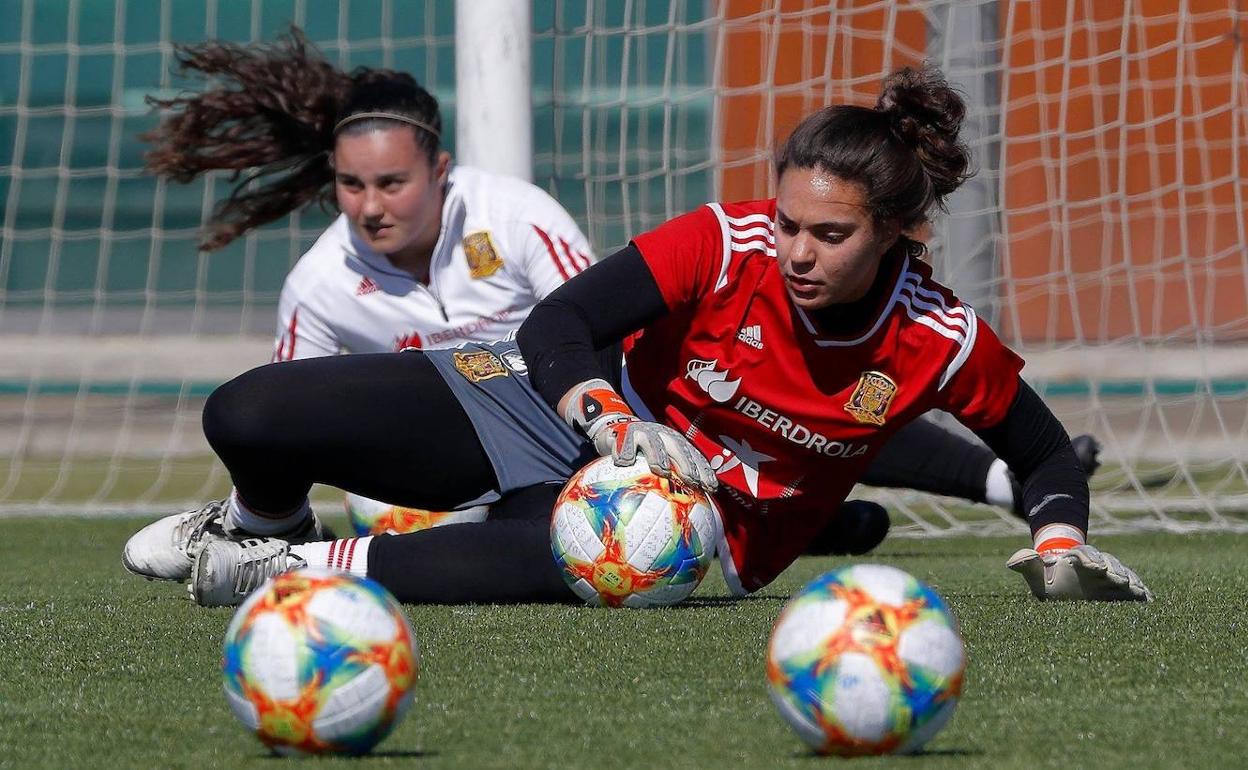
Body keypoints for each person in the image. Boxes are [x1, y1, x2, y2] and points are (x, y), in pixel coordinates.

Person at [125, 59, 1141, 605]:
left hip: (693, 523)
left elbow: (1045, 448)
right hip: (563, 410)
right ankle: (272, 525)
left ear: (893, 236)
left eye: (829, 235)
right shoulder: (724, 239)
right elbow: (565, 320)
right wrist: (607, 410)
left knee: (572, 554)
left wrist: (1058, 537)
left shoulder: (941, 338)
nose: (792, 250)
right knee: (249, 411)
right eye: (787, 220)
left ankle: (300, 570)